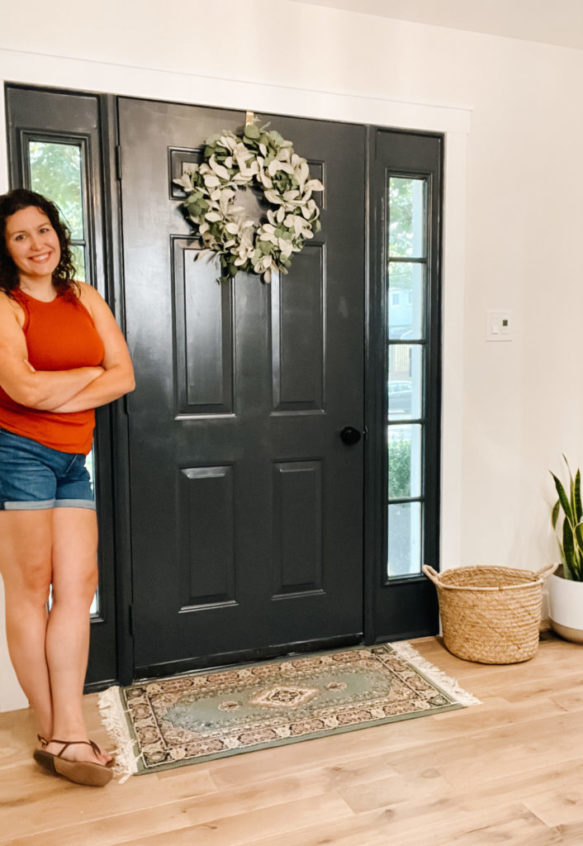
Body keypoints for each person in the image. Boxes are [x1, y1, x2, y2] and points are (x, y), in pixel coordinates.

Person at [0, 189, 135, 787]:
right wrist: (89, 374)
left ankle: (69, 730)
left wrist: (57, 382)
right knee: (31, 592)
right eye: (20, 236)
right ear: (4, 249)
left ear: (59, 232)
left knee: (77, 588)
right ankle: (55, 730)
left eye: (44, 229)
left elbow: (124, 374)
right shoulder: (4, 306)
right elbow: (22, 394)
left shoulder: (84, 297)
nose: (38, 244)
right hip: (16, 454)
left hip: (71, 458)